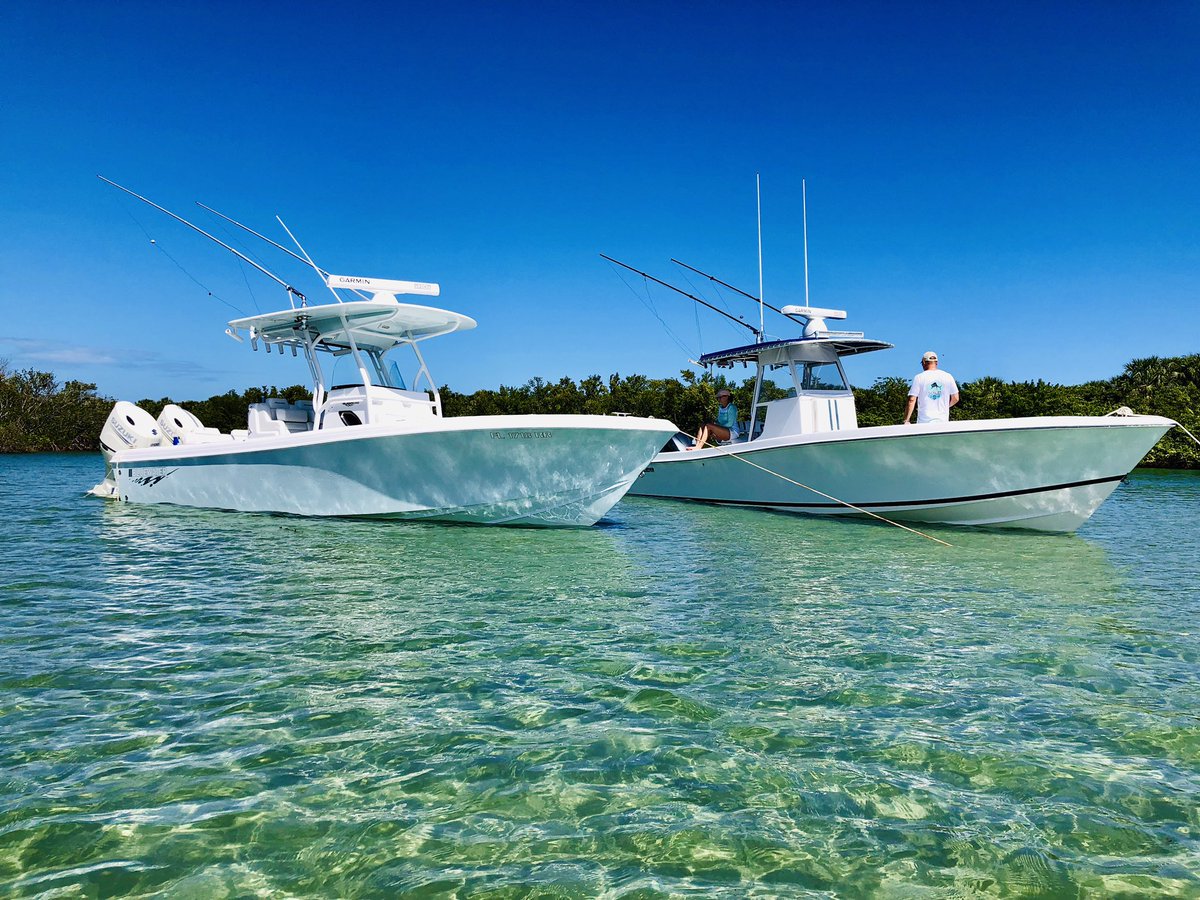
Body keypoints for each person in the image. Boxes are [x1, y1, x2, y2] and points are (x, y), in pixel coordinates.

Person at [904, 351, 959, 424]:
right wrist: (945, 407)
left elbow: (911, 399)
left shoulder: (919, 377)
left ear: (924, 362)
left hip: (924, 423)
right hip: (943, 422)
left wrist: (906, 420)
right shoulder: (948, 376)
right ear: (937, 362)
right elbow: (955, 398)